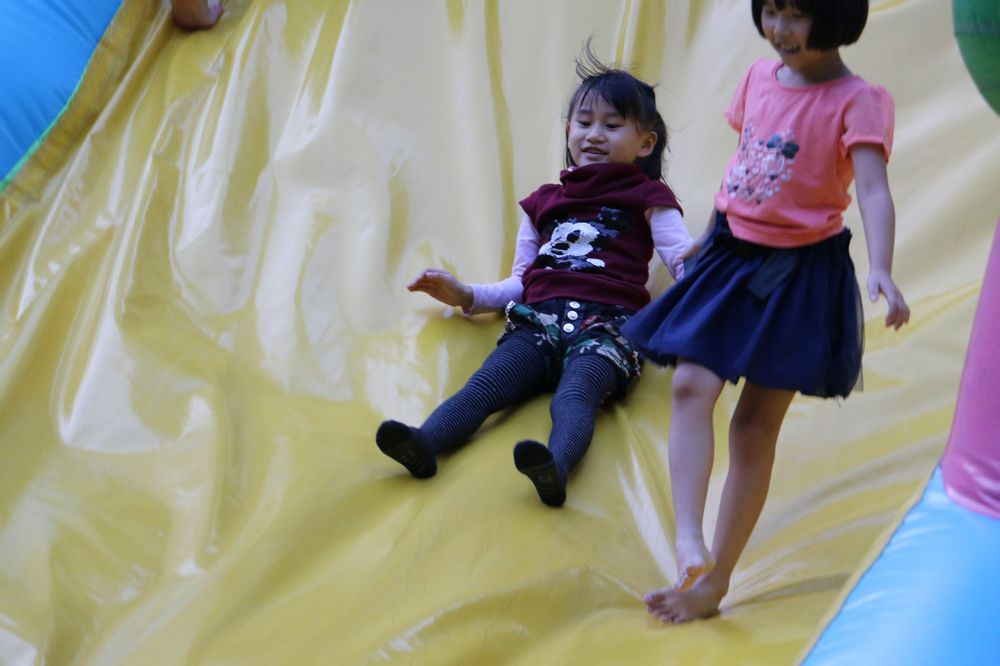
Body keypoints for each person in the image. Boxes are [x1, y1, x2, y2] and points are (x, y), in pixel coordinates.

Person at [621, 0, 911, 622]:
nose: (780, 29)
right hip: (733, 253)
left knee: (754, 426)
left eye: (797, 15)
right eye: (772, 10)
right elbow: (745, 166)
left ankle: (714, 583)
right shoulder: (757, 77)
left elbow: (873, 190)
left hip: (801, 273)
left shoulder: (857, 100)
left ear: (836, 17)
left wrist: (883, 267)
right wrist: (708, 235)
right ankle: (689, 541)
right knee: (691, 385)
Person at [375, 45, 693, 508]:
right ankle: (425, 443)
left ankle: (555, 468)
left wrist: (710, 297)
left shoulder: (649, 196)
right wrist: (465, 293)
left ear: (645, 143)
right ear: (568, 130)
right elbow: (519, 283)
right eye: (584, 123)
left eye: (612, 125)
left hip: (608, 327)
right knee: (486, 385)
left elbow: (681, 258)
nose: (594, 135)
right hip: (539, 320)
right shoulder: (544, 201)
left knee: (575, 396)